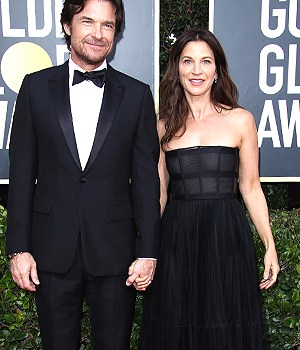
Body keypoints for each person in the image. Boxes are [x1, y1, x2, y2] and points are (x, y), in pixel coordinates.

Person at [6, 0, 160, 349]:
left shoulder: (136, 95)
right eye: (87, 21)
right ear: (67, 26)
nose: (98, 33)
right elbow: (22, 172)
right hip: (50, 250)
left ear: (116, 33)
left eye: (108, 25)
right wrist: (18, 248)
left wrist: (148, 251)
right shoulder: (34, 88)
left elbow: (147, 181)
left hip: (116, 254)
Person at [139, 29, 280, 350]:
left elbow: (251, 186)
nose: (197, 70)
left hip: (226, 234)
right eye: (188, 62)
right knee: (178, 325)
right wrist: (145, 248)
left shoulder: (241, 120)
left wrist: (269, 244)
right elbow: (159, 194)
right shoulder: (163, 127)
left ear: (217, 70)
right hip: (177, 237)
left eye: (206, 61)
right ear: (177, 69)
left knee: (225, 325)